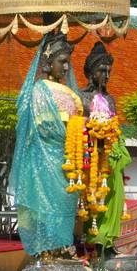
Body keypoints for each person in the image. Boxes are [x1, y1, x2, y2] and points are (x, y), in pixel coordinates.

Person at [12, 32, 82, 256]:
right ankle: (46, 251)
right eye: (62, 62)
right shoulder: (38, 91)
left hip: (68, 160)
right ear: (49, 61)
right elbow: (41, 129)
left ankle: (63, 249)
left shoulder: (71, 94)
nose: (66, 68)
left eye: (68, 63)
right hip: (44, 159)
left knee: (65, 205)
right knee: (45, 206)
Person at [79, 42, 130, 249]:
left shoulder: (110, 100)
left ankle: (107, 245)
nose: (106, 76)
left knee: (112, 199)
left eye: (109, 71)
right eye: (102, 70)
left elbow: (116, 129)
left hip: (111, 157)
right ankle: (91, 244)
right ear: (91, 72)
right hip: (90, 158)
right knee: (91, 202)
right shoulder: (82, 97)